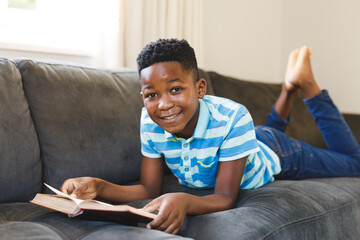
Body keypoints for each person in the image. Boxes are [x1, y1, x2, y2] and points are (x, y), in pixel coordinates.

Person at [60, 39, 360, 235]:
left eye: (175, 89)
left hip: (275, 151)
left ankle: (305, 85)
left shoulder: (233, 117)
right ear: (142, 96)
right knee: (260, 132)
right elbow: (148, 187)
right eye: (152, 95)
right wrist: (97, 186)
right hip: (241, 143)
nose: (163, 104)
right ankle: (288, 88)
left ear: (200, 88)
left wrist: (184, 200)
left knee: (354, 163)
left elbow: (225, 197)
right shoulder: (150, 122)